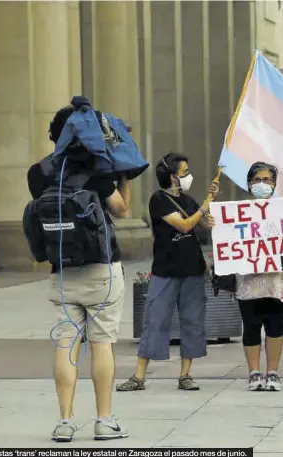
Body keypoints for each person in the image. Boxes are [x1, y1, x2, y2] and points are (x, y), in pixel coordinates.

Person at [27, 104, 131, 441]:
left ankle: (65, 421)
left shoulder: (38, 172)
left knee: (65, 343)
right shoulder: (98, 171)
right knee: (102, 343)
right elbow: (122, 210)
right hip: (101, 266)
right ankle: (104, 420)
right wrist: (123, 173)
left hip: (61, 268)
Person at [116, 152, 219, 393]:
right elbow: (184, 224)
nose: (188, 176)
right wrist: (203, 209)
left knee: (192, 322)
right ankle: (139, 376)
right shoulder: (158, 200)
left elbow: (204, 223)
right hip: (165, 270)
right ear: (173, 177)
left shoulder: (189, 200)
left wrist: (209, 202)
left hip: (193, 269)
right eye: (184, 172)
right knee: (155, 320)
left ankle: (186, 374)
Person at [235, 161, 283, 392]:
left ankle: (272, 371)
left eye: (267, 180)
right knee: (251, 325)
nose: (262, 184)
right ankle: (254, 372)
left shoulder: (280, 209)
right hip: (248, 279)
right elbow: (227, 236)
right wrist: (214, 222)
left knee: (276, 325)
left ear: (274, 184)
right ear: (249, 183)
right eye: (257, 180)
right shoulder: (237, 211)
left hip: (276, 279)